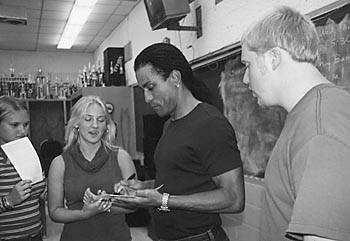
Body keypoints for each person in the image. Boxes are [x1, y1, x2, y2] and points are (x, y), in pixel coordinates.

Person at [114, 42, 245, 241]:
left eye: (151, 87)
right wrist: (143, 187)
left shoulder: (209, 124)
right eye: (143, 91)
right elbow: (178, 181)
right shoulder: (170, 125)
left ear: (175, 78)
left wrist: (165, 200)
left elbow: (233, 198)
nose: (148, 98)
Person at [240, 6, 350, 241]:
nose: (245, 79)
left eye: (247, 64)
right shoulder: (310, 113)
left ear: (273, 58)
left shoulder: (321, 125)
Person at [47, 95, 137, 241]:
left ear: (106, 126)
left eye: (100, 120)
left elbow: (135, 204)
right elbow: (54, 211)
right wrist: (84, 213)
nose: (95, 125)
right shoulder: (60, 163)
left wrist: (105, 204)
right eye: (88, 119)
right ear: (76, 123)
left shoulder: (122, 158)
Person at [0, 96, 46, 241]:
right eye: (14, 125)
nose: (22, 131)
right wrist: (8, 201)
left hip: (35, 235)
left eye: (26, 124)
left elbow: (38, 194)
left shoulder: (28, 152)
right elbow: (11, 199)